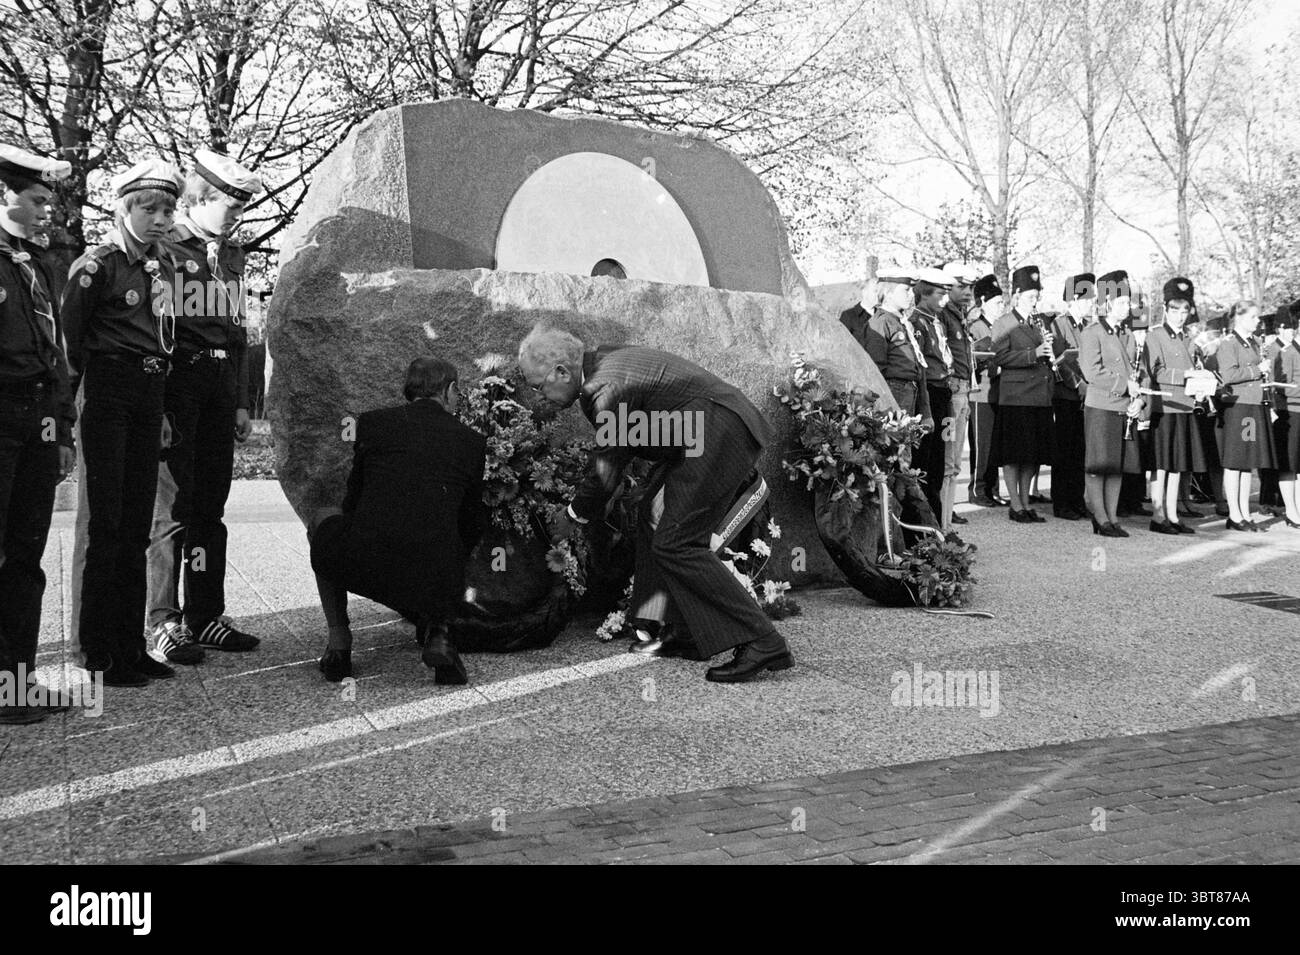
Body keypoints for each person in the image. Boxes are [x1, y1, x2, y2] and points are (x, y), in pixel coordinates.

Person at [520, 327, 794, 684]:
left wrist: (573, 515)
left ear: (562, 372)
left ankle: (764, 640)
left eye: (538, 386)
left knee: (678, 541)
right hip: (698, 433)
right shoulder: (603, 366)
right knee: (651, 515)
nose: (539, 397)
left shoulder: (605, 386)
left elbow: (607, 467)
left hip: (715, 431)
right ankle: (684, 630)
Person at [62, 158, 184, 687]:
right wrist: (64, 413)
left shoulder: (161, 267)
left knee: (136, 523)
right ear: (124, 209)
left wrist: (160, 410)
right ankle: (94, 647)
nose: (160, 219)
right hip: (106, 390)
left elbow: (164, 340)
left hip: (147, 390)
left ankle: (130, 643)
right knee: (103, 522)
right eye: (149, 209)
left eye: (168, 210)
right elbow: (70, 344)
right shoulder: (98, 265)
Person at [145, 150, 264, 663]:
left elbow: (236, 330)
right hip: (181, 379)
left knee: (210, 507)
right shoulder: (166, 249)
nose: (238, 216)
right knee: (172, 507)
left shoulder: (231, 254)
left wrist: (239, 400)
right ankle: (163, 621)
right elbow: (155, 331)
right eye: (231, 206)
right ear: (199, 198)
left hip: (218, 383)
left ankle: (205, 614)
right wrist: (164, 404)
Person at [309, 358, 486, 684]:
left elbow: (353, 501)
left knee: (323, 519)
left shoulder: (373, 424)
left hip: (365, 563)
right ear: (449, 390)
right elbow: (471, 521)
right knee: (447, 541)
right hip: (434, 579)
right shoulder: (471, 442)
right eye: (457, 393)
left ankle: (339, 642)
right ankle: (439, 631)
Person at [0, 145, 76, 724]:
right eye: (37, 199)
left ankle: (15, 684)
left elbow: (57, 355)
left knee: (26, 556)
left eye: (49, 200)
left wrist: (63, 428)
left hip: (37, 422)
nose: (48, 210)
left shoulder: (36, 263)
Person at [1143, 277, 1215, 535]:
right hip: (1165, 406)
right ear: (1166, 308)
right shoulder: (1155, 335)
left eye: (1185, 310)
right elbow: (1154, 372)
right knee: (1162, 465)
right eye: (1176, 309)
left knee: (1178, 464)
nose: (1181, 315)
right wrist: (1184, 375)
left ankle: (1172, 515)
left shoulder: (1189, 339)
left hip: (1184, 406)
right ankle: (1158, 514)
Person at [1079, 270, 1144, 537]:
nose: (1127, 308)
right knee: (1098, 466)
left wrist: (1138, 399)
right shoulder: (1093, 332)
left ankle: (1113, 516)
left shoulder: (1127, 334)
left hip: (1123, 407)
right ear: (1107, 304)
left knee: (1116, 465)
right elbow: (1091, 371)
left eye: (1128, 303)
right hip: (1101, 405)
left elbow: (1136, 373)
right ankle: (1100, 516)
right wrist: (1124, 387)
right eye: (1122, 303)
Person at [990, 265, 1055, 523]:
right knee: (1014, 453)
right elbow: (999, 356)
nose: (1034, 300)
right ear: (1016, 296)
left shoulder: (1039, 323)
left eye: (1036, 295)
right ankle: (1015, 504)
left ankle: (1026, 501)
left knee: (1032, 454)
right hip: (1015, 396)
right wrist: (1033, 354)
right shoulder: (1004, 322)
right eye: (1030, 296)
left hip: (1039, 396)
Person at [1207, 300, 1277, 531]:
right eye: (1253, 317)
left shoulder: (1254, 342)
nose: (1258, 321)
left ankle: (1244, 512)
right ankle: (1234, 514)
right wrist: (1258, 370)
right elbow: (1228, 375)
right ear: (1240, 318)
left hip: (1253, 405)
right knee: (1235, 461)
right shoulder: (1228, 343)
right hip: (1239, 407)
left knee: (1248, 462)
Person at [911, 267, 956, 522]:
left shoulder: (934, 320)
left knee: (939, 461)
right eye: (940, 294)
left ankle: (937, 520)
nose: (945, 300)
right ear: (925, 294)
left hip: (943, 391)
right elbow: (922, 366)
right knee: (925, 461)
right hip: (930, 394)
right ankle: (926, 521)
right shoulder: (918, 322)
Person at [939, 262, 979, 530]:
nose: (967, 292)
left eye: (971, 287)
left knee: (953, 465)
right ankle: (941, 522)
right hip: (953, 392)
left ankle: (946, 518)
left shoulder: (959, 315)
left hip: (964, 391)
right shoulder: (942, 316)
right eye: (961, 286)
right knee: (947, 462)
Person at [1050, 273, 1093, 520]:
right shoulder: (1058, 324)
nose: (1090, 304)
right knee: (1065, 450)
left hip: (1086, 395)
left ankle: (1077, 499)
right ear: (1074, 299)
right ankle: (1062, 502)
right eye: (1086, 299)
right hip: (1066, 394)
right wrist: (1078, 384)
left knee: (1080, 450)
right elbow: (1059, 361)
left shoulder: (1087, 325)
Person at [967, 274, 1005, 506]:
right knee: (981, 445)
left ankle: (992, 488)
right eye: (997, 303)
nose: (1002, 307)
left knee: (995, 444)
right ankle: (978, 489)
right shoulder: (976, 327)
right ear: (983, 301)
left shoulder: (1002, 326)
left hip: (1000, 392)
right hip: (981, 392)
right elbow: (973, 359)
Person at [1272, 310, 1300, 528]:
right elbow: (1280, 387)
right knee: (1289, 464)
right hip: (1290, 413)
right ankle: (1291, 510)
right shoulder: (1287, 352)